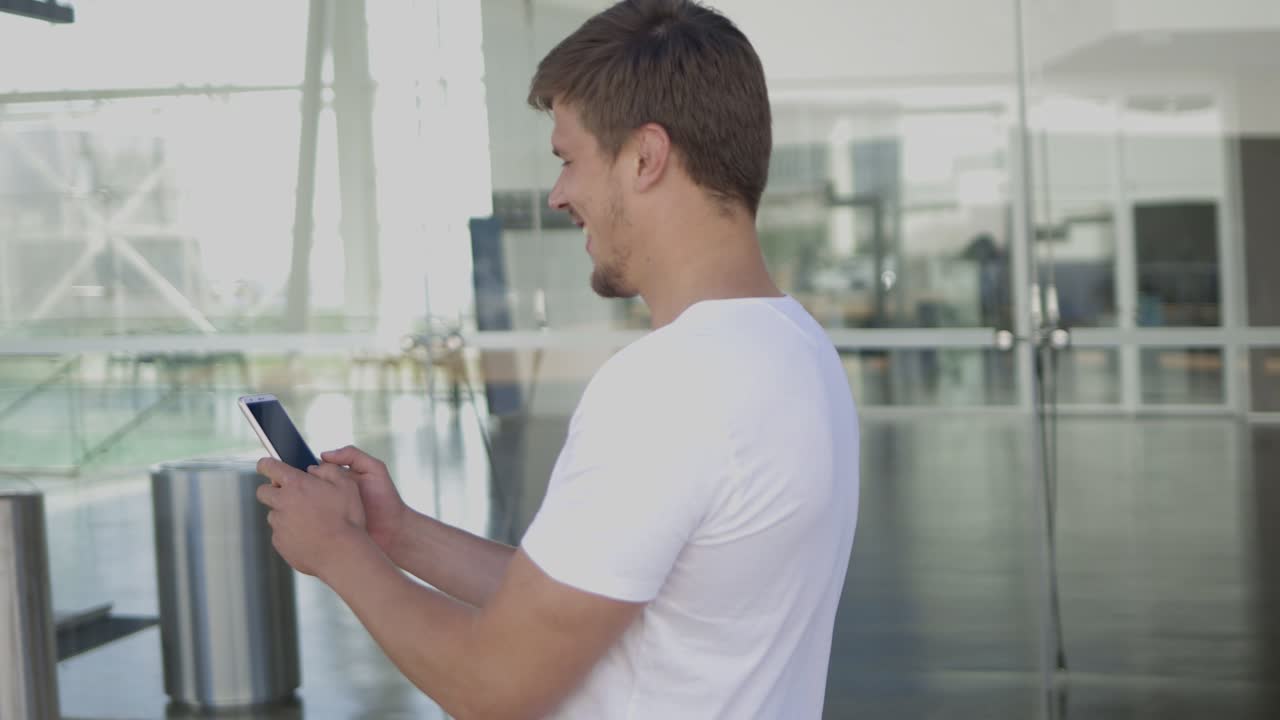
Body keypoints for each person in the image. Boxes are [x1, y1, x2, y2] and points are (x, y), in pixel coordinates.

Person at [254, 1, 860, 717]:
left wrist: (338, 555)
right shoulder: (794, 347)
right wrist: (398, 537)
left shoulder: (671, 388)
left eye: (570, 159)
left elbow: (494, 683)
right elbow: (592, 596)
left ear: (646, 156)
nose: (559, 193)